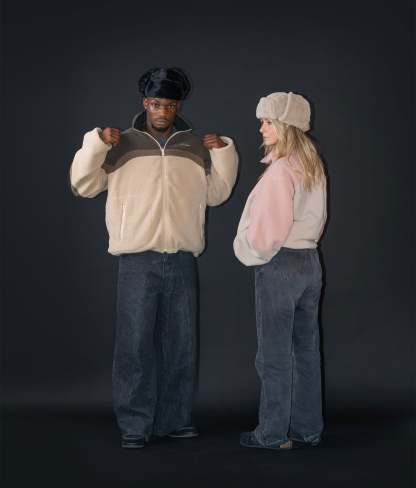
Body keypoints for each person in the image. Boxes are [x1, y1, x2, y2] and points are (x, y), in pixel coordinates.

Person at [70, 67, 238, 449]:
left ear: (178, 106)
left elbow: (217, 194)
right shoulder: (122, 143)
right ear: (146, 103)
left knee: (181, 344)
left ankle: (175, 420)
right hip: (137, 259)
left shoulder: (193, 145)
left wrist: (222, 153)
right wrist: (96, 144)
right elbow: (83, 185)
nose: (163, 111)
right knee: (134, 346)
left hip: (181, 257)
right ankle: (134, 424)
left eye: (170, 105)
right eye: (157, 104)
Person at [233, 91, 327, 450]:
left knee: (273, 354)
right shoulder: (312, 164)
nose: (261, 128)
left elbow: (266, 234)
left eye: (268, 122)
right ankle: (307, 428)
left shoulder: (280, 171)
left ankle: (271, 434)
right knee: (306, 351)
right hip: (310, 263)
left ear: (285, 126)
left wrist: (249, 250)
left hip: (281, 265)